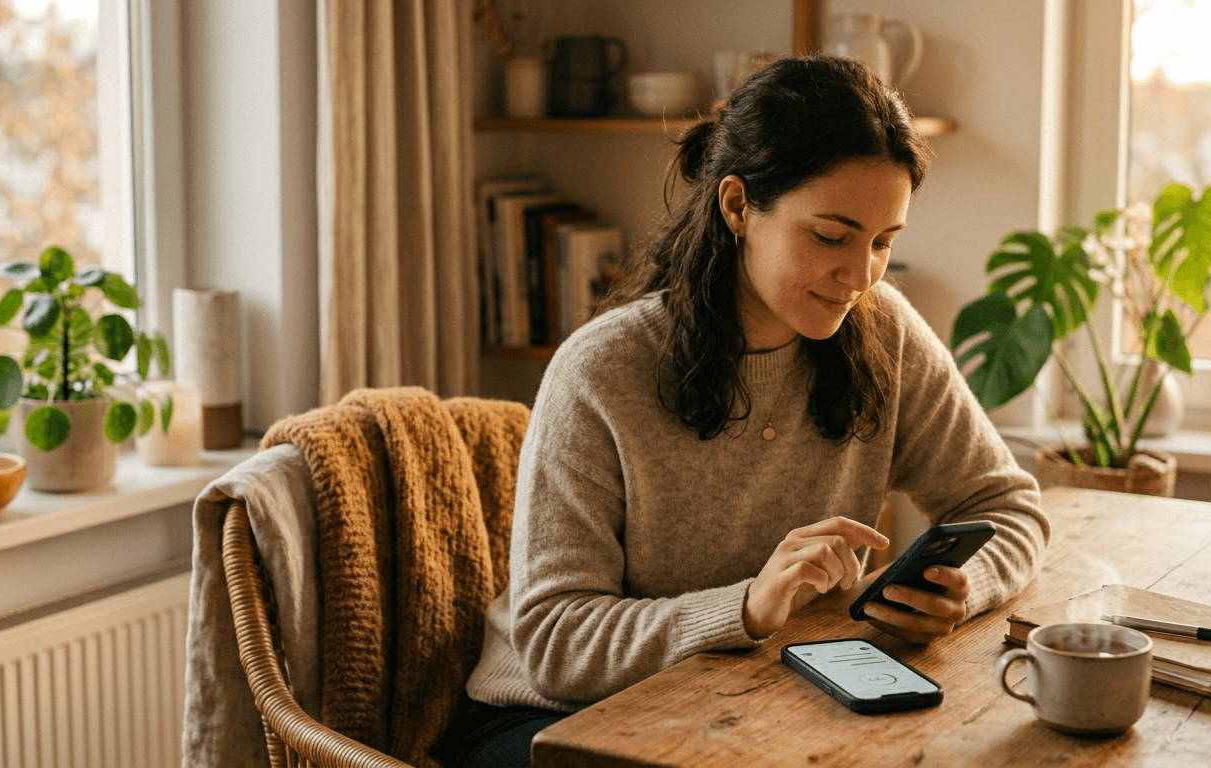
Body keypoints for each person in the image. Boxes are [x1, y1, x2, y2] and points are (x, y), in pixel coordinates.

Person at [440, 54, 1050, 768]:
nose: (859, 275)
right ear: (737, 207)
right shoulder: (602, 370)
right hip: (551, 722)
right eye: (831, 236)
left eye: (883, 242)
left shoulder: (886, 334)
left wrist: (959, 590)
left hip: (752, 701)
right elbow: (555, 641)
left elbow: (1008, 507)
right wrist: (747, 608)